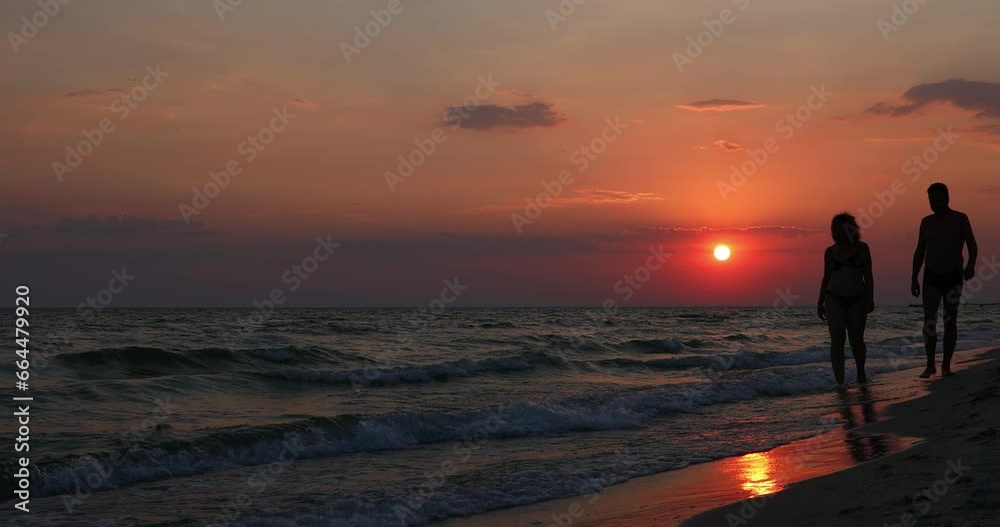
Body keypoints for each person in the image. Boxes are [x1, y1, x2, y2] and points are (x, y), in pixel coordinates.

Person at [911, 183, 978, 378]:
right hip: (931, 275)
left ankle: (946, 365)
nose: (935, 203)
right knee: (929, 320)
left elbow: (972, 245)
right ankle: (930, 364)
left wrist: (971, 265)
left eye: (939, 199)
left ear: (947, 198)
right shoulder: (926, 222)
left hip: (952, 275)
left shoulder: (960, 219)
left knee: (950, 320)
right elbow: (919, 251)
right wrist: (914, 277)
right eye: (932, 199)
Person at [818, 213, 874, 386]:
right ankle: (840, 382)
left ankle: (860, 373)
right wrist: (820, 301)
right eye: (835, 228)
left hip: (857, 298)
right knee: (837, 340)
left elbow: (868, 276)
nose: (837, 231)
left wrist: (870, 299)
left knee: (856, 339)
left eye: (841, 227)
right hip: (833, 298)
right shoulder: (830, 252)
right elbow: (826, 277)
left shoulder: (862, 248)